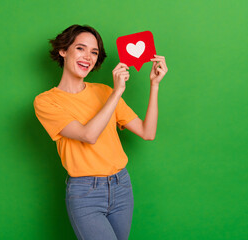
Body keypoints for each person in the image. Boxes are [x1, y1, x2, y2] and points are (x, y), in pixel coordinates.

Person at [33, 24, 167, 240]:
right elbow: (88, 135)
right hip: (85, 193)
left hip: (121, 186)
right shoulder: (46, 102)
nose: (88, 56)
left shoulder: (104, 91)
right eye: (80, 48)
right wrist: (117, 93)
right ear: (63, 50)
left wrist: (155, 85)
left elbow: (147, 131)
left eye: (94, 52)